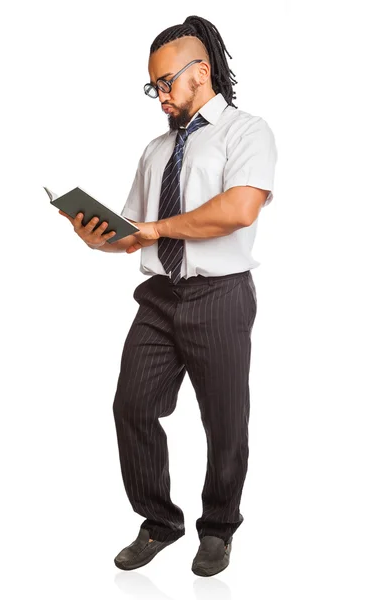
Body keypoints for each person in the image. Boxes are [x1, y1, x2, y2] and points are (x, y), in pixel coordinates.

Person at [59, 15, 277, 577]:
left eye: (165, 83)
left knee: (225, 420)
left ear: (199, 72)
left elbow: (238, 210)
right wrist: (99, 237)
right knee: (131, 405)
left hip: (221, 296)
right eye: (152, 86)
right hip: (159, 297)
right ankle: (159, 522)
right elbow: (136, 231)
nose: (158, 95)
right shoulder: (156, 150)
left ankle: (219, 529)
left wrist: (156, 229)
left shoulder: (246, 132)